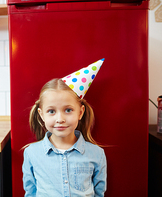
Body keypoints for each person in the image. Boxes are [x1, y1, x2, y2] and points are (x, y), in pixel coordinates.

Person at [23, 59, 107, 197]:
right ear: (41, 114)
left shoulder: (97, 154)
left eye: (68, 110)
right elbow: (30, 193)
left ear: (80, 112)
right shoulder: (31, 153)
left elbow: (99, 193)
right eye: (51, 111)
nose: (60, 119)